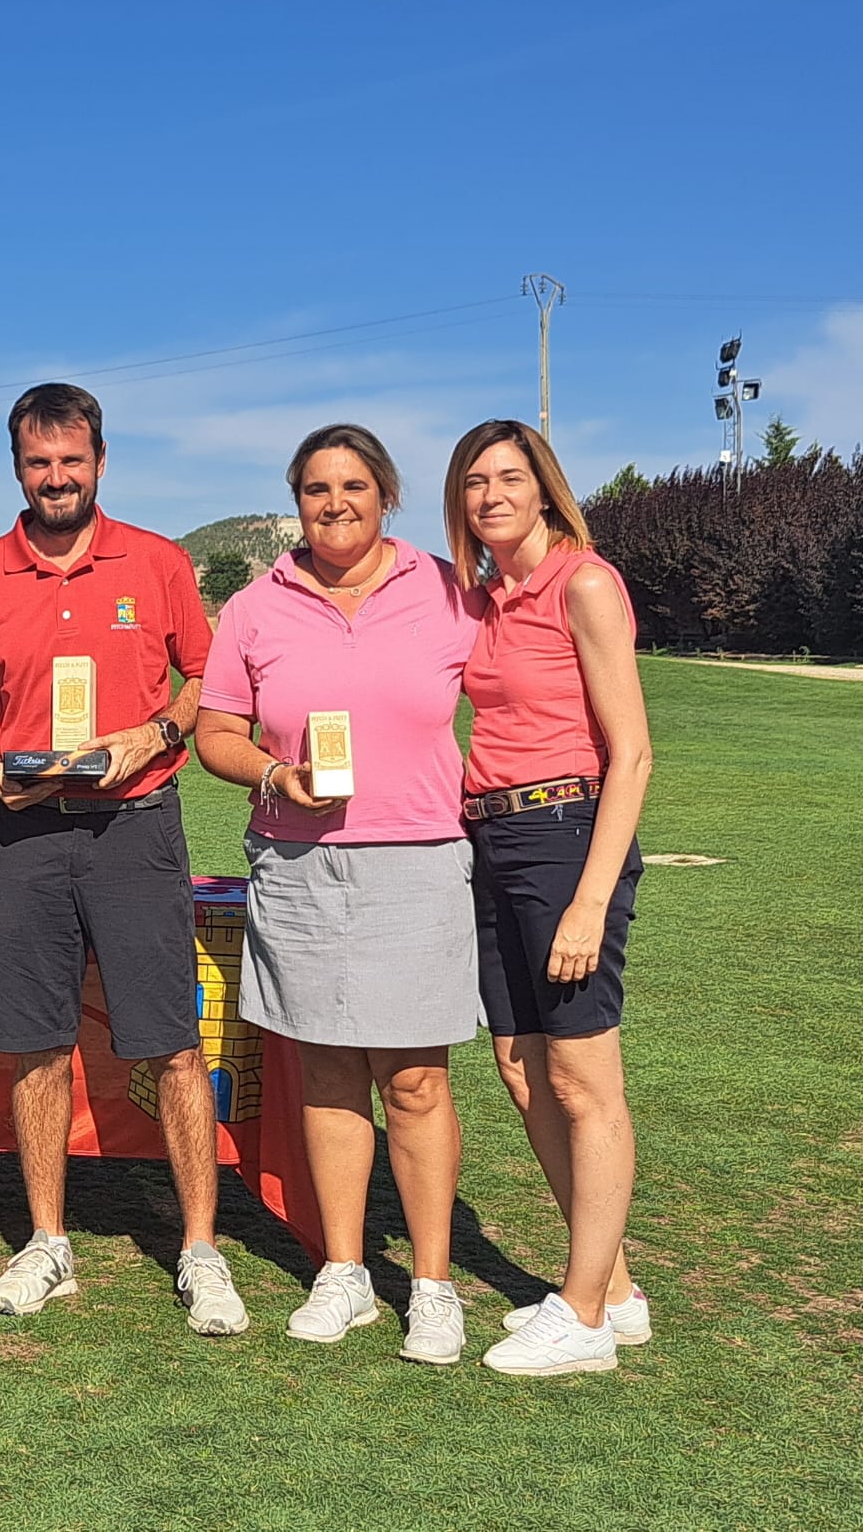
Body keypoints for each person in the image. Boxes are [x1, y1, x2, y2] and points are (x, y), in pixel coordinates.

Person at [0, 382, 248, 1329]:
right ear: (17, 469)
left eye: (72, 461)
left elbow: (203, 679)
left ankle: (201, 1252)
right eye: (39, 463)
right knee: (35, 1041)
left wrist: (152, 734)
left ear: (101, 462)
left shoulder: (156, 563)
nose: (57, 478)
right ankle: (48, 1244)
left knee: (170, 1043)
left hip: (134, 825)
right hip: (29, 831)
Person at [194, 424, 483, 1365]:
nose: (335, 504)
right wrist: (276, 776)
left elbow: (518, 680)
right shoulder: (254, 607)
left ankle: (433, 1286)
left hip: (419, 860)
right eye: (316, 489)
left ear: (385, 494)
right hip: (299, 864)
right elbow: (217, 734)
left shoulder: (446, 590)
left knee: (413, 1079)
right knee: (324, 1074)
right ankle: (346, 1272)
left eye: (354, 485)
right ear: (297, 501)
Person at [444, 419, 653, 1377]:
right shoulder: (485, 598)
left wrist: (589, 898)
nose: (491, 495)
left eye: (508, 478)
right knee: (522, 1069)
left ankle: (584, 1320)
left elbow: (634, 753)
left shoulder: (585, 583)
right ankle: (609, 1286)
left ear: (544, 487)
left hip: (568, 837)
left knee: (582, 1080)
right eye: (474, 482)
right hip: (493, 837)